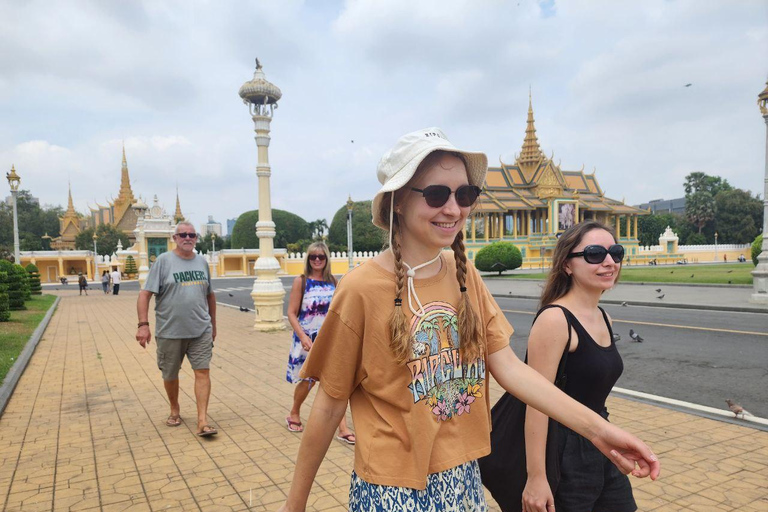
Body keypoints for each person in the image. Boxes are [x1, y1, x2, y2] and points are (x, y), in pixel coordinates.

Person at [277, 128, 659, 512]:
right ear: (396, 202)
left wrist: (600, 432)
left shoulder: (463, 275)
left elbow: (510, 368)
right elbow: (329, 406)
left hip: (463, 476)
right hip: (391, 486)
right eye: (436, 194)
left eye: (464, 195)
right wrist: (295, 506)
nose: (453, 209)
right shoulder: (361, 288)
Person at [523, 221, 637, 512]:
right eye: (595, 254)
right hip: (563, 453)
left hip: (601, 440)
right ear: (567, 265)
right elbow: (535, 404)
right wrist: (537, 477)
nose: (609, 261)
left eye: (616, 252)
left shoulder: (604, 317)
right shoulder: (555, 320)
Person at [135, 222, 219, 437]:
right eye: (183, 235)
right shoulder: (163, 262)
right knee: (170, 374)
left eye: (192, 235)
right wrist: (143, 325)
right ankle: (175, 409)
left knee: (202, 371)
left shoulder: (201, 262)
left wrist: (213, 325)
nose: (188, 238)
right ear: (175, 238)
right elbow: (145, 294)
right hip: (170, 331)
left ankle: (202, 421)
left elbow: (210, 295)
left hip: (200, 329)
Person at [285, 242, 355, 444]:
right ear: (308, 259)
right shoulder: (302, 281)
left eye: (321, 257)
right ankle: (294, 412)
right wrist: (303, 337)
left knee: (336, 381)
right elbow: (291, 313)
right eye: (313, 256)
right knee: (308, 380)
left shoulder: (333, 281)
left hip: (329, 339)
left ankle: (342, 428)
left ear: (327, 259)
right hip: (306, 338)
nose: (317, 260)